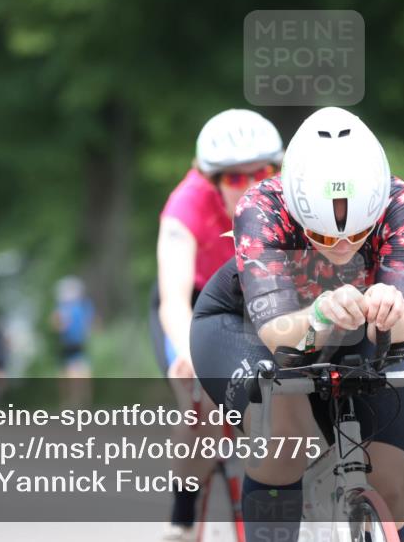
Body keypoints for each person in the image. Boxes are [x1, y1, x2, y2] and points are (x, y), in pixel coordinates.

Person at [191, 107, 404, 542]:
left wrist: (389, 305)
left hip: (351, 328)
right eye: (321, 236)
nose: (340, 246)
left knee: (391, 481)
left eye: (357, 235)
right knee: (288, 445)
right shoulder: (261, 206)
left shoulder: (399, 202)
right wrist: (319, 312)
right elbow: (278, 334)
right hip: (244, 325)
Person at [150, 108, 284, 541]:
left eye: (260, 173)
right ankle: (184, 506)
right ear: (211, 181)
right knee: (202, 407)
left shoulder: (289, 198)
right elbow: (172, 300)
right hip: (196, 305)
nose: (248, 187)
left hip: (260, 299)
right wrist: (189, 353)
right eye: (233, 178)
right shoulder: (185, 204)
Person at [52, 276, 95, 378]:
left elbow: (88, 322)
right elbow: (57, 325)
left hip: (78, 342)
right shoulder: (62, 308)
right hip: (69, 343)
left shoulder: (81, 306)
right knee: (72, 369)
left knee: (80, 368)